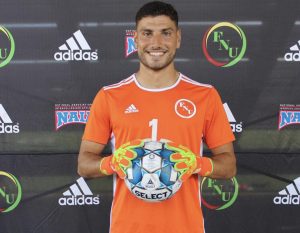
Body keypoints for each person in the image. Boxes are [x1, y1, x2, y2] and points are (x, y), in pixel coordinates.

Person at [78, 1, 236, 233]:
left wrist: (196, 163)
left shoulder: (205, 96)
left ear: (178, 38)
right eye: (147, 34)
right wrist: (111, 162)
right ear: (135, 40)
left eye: (166, 33)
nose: (156, 43)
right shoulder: (109, 96)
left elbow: (229, 166)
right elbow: (83, 165)